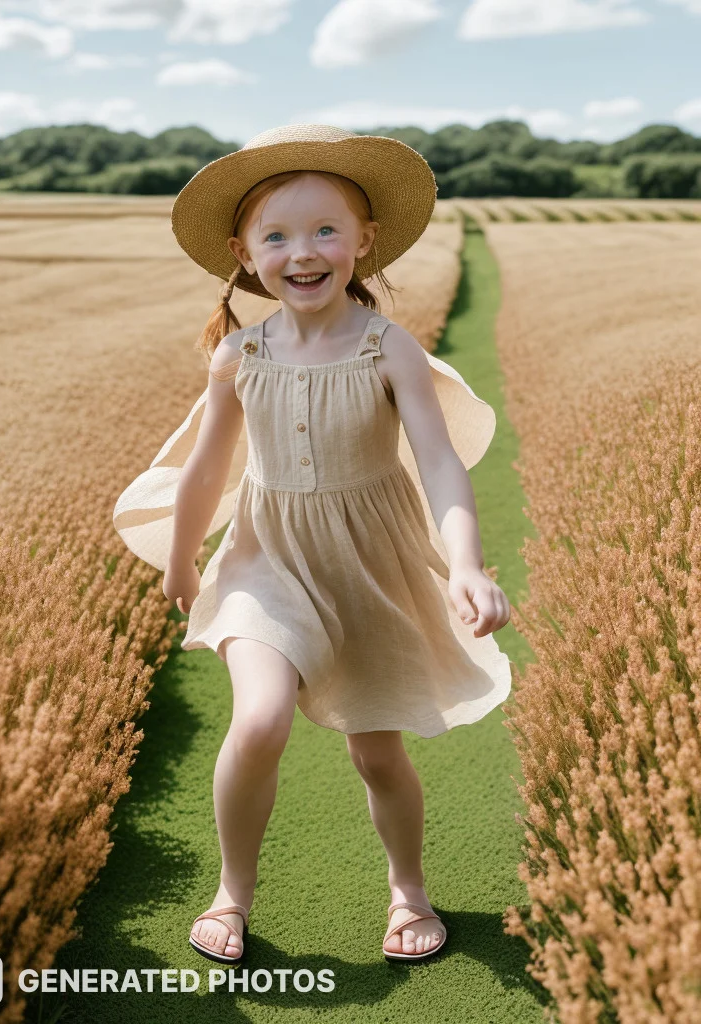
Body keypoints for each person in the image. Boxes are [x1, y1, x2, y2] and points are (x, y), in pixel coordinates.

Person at [113, 124, 512, 966]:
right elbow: (203, 470)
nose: (305, 252)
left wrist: (466, 564)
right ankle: (232, 892)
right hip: (266, 564)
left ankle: (408, 888)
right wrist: (184, 560)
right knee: (257, 721)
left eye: (327, 230)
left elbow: (439, 463)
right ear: (244, 252)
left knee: (377, 754)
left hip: (372, 565)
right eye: (279, 236)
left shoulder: (385, 347)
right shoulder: (238, 355)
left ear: (364, 243)